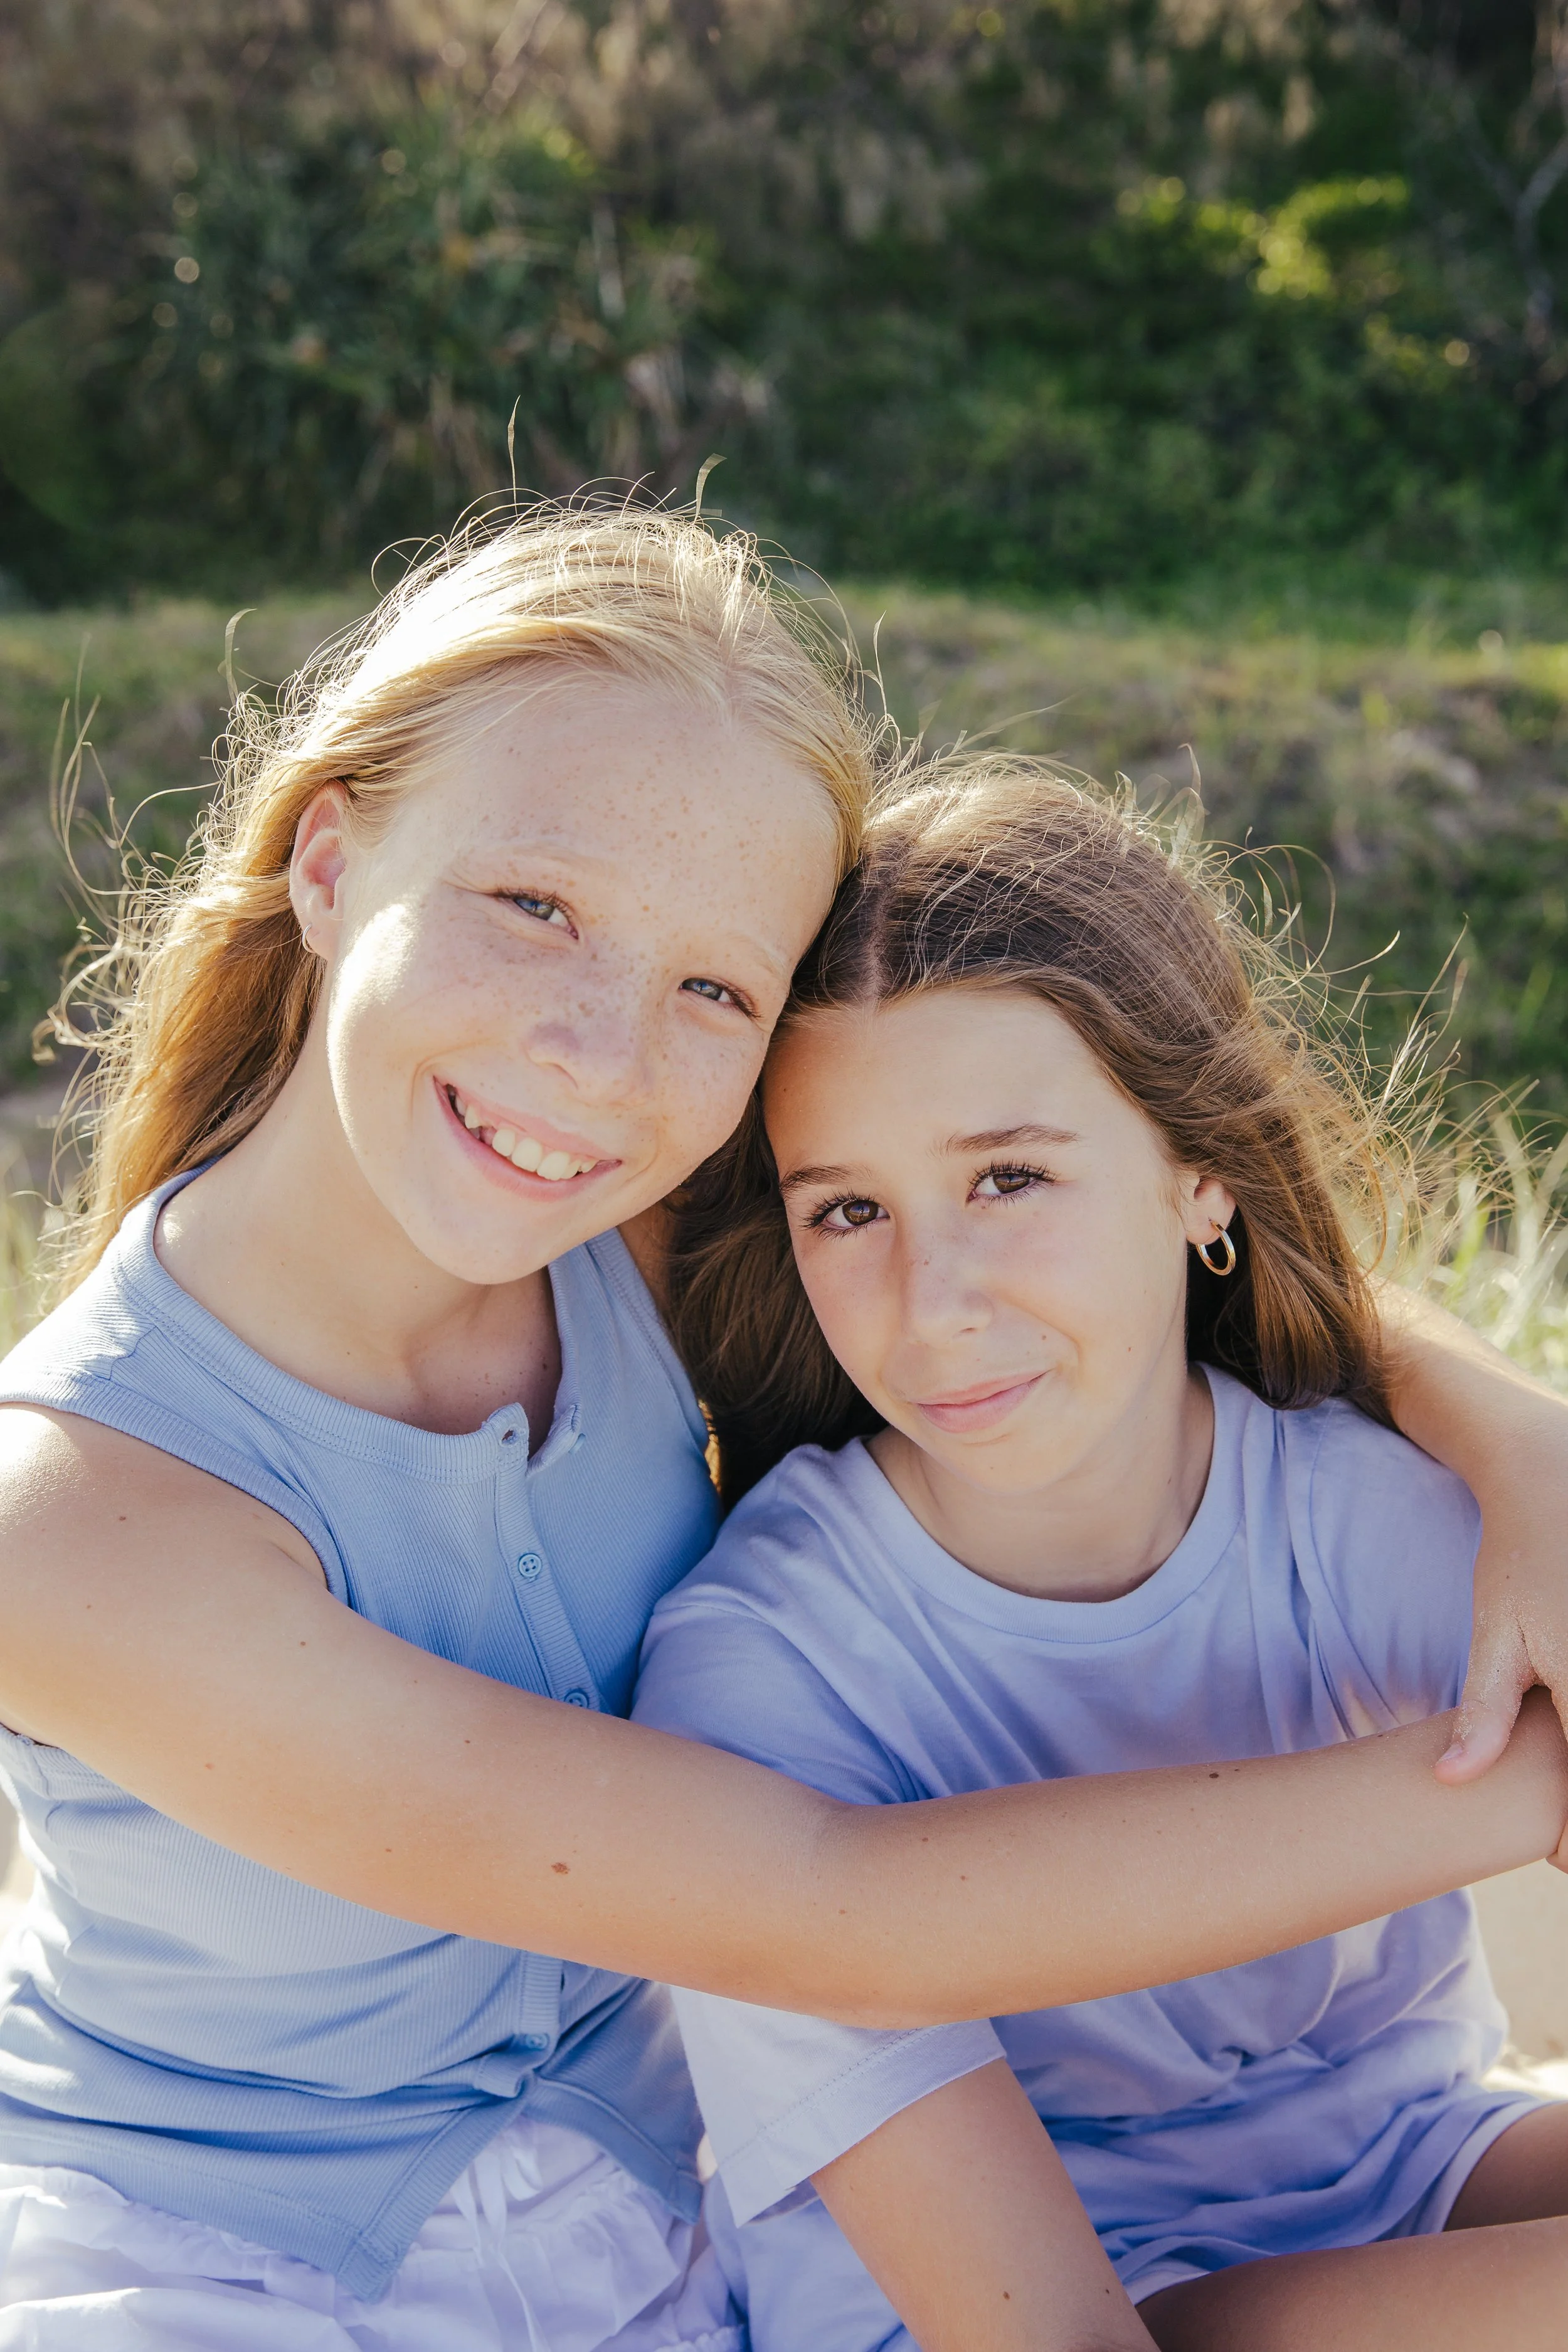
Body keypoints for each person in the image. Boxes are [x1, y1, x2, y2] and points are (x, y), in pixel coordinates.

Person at [0, 507, 1563, 2349]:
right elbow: (822, 1909)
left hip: (660, 2226)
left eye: (713, 987)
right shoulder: (77, 1511)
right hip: (222, 2267)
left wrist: (1525, 1450)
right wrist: (1524, 1768)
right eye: (534, 902)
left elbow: (1103, 1240)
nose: (600, 1046)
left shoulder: (621, 1215)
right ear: (331, 858)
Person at [634, 755, 1568, 2352]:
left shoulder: (1369, 1515)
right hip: (982, 2300)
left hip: (1402, 2172)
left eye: (1010, 1178)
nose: (934, 1303)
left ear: (1193, 1171)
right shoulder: (761, 1668)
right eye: (846, 1211)